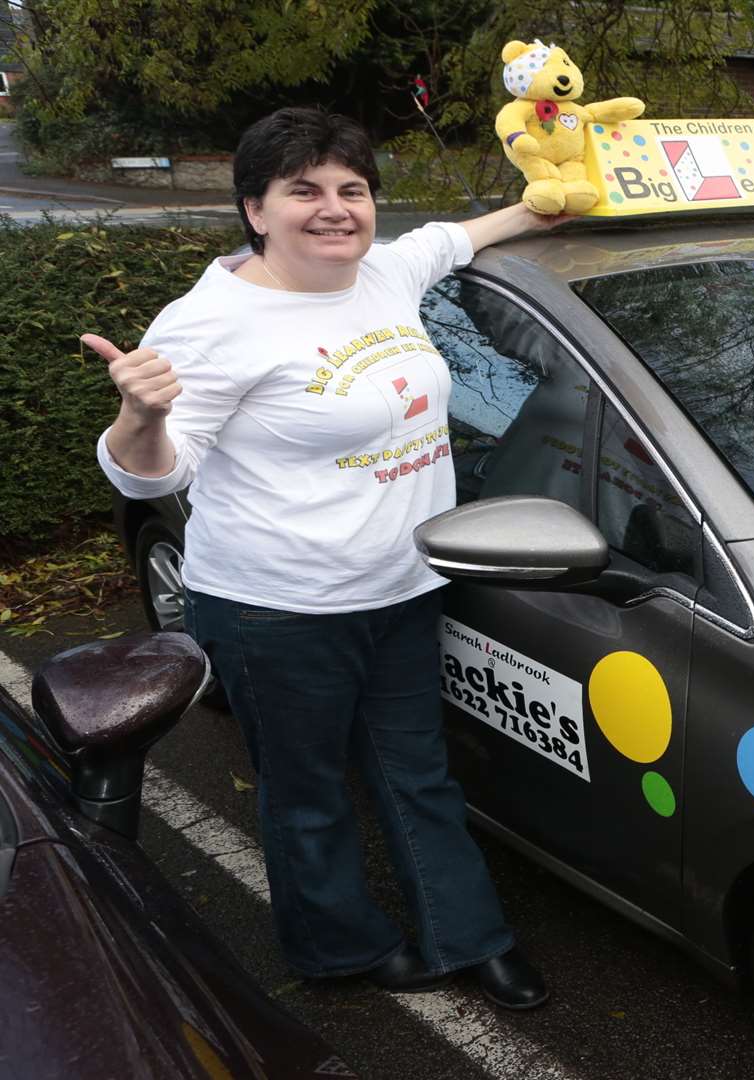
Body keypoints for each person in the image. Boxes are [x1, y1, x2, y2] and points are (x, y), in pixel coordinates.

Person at [90, 107, 559, 1009]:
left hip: (403, 585)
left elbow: (474, 233)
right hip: (278, 608)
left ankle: (472, 939)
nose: (334, 208)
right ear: (255, 210)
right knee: (306, 795)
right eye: (303, 190)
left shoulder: (383, 272)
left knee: (417, 773)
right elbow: (151, 473)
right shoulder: (209, 322)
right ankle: (337, 948)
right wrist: (140, 415)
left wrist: (568, 199)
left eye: (352, 189)